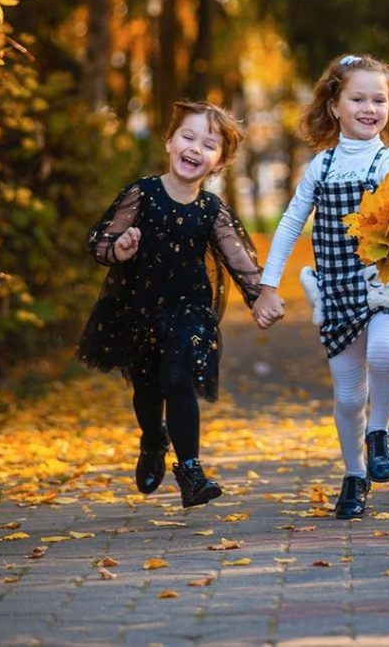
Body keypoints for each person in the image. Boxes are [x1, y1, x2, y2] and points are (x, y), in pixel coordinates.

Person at [253, 54, 389, 520]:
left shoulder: (387, 159)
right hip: (337, 291)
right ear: (334, 104)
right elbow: (291, 223)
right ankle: (354, 475)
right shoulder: (322, 166)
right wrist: (268, 286)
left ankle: (381, 432)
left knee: (384, 354)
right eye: (358, 98)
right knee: (349, 397)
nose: (370, 108)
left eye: (380, 99)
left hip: (385, 285)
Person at [77, 101, 262, 508]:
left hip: (189, 310)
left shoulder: (211, 210)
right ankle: (152, 438)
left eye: (209, 144)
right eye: (188, 136)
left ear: (219, 162)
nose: (196, 148)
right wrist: (120, 249)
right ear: (169, 141)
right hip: (139, 308)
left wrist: (261, 296)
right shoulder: (142, 194)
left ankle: (191, 471)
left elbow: (239, 259)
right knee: (147, 388)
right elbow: (100, 242)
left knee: (178, 378)